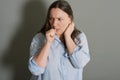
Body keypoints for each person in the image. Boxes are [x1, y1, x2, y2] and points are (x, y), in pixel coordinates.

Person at [28, 0, 90, 80]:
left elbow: (80, 63)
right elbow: (35, 70)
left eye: (59, 19)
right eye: (51, 18)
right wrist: (48, 43)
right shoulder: (39, 38)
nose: (54, 24)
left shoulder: (79, 38)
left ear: (70, 19)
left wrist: (67, 37)